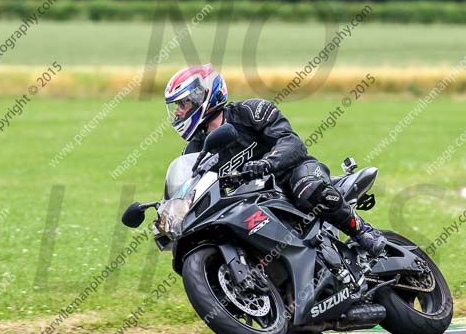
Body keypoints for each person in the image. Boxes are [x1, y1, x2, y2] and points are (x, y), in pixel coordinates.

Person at [164, 64, 386, 257]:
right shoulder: (194, 150)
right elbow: (192, 188)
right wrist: (169, 211)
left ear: (201, 98)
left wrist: (267, 163)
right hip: (251, 202)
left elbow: (292, 143)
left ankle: (364, 232)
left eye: (181, 105)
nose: (177, 113)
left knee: (307, 187)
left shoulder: (250, 111)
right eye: (176, 107)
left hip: (291, 175)